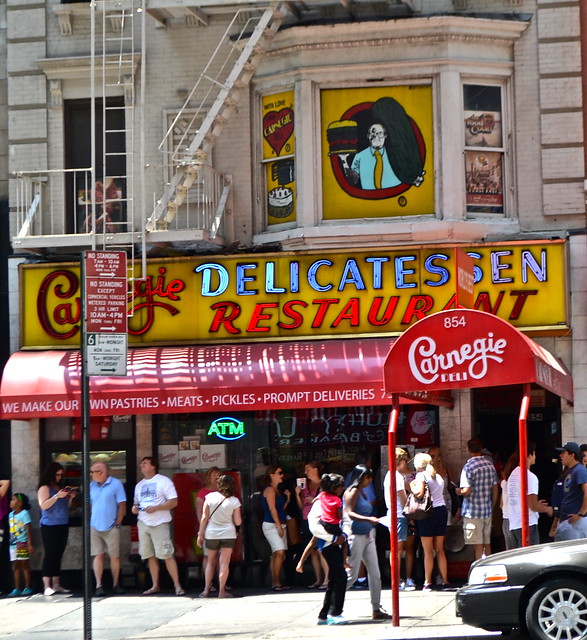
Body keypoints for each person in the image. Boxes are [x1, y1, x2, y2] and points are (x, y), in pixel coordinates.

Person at [343, 464, 392, 620]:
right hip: (355, 535)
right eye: (368, 477)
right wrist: (368, 518)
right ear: (360, 477)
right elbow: (349, 512)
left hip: (367, 534)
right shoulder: (352, 492)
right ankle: (332, 603)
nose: (370, 480)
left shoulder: (363, 492)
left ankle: (376, 608)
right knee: (352, 575)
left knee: (375, 573)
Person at [131, 456, 185, 595]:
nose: (141, 465)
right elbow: (136, 504)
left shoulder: (164, 481)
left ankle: (177, 586)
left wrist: (157, 507)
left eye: (145, 463)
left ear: (153, 466)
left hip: (160, 522)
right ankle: (155, 585)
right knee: (149, 555)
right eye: (141, 463)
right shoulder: (139, 485)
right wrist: (134, 509)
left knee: (167, 554)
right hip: (143, 522)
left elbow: (174, 502)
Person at [196, 474, 242, 598]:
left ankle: (206, 590)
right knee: (224, 563)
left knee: (210, 562)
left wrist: (200, 534)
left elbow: (204, 517)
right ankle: (222, 591)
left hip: (211, 533)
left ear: (219, 484)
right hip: (228, 534)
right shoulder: (234, 501)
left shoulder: (209, 497)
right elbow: (238, 522)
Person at [410, 452, 449, 591]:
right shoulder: (438, 476)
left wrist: (411, 485)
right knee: (439, 549)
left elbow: (419, 493)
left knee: (427, 551)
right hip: (441, 510)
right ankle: (445, 580)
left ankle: (428, 581)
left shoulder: (421, 475)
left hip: (428, 512)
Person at [314, 473, 348, 626]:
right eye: (341, 486)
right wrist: (336, 538)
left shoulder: (321, 498)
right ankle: (335, 612)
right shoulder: (334, 500)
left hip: (330, 542)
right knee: (340, 578)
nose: (343, 488)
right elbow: (340, 518)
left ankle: (324, 615)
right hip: (330, 543)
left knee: (335, 579)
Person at [457, 438, 499, 560]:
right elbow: (495, 488)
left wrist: (458, 491)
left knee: (477, 545)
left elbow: (466, 490)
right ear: (481, 449)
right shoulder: (489, 465)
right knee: (487, 542)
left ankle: (480, 571)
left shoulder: (468, 467)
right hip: (486, 511)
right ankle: (489, 567)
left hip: (472, 512)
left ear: (468, 449)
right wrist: (492, 505)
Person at [37, 462, 75, 595]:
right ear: (51, 474)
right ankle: (47, 585)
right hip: (49, 525)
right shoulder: (45, 487)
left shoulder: (59, 487)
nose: (59, 477)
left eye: (61, 475)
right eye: (57, 474)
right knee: (50, 554)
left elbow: (65, 507)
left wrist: (69, 498)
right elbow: (43, 505)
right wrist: (56, 496)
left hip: (62, 523)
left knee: (59, 554)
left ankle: (56, 583)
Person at [90, 461, 126, 596]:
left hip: (111, 526)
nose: (91, 475)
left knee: (114, 556)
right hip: (94, 526)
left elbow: (122, 505)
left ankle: (116, 584)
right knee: (98, 555)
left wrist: (118, 523)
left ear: (101, 472)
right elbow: (90, 505)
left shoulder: (116, 484)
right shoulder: (91, 486)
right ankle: (99, 585)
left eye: (93, 472)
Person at [506, 442, 553, 547]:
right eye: (534, 453)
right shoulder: (530, 477)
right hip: (528, 524)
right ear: (530, 455)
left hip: (514, 523)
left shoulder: (512, 475)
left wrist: (536, 504)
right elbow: (533, 506)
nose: (535, 457)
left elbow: (521, 499)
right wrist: (548, 509)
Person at [383, 447, 416, 591]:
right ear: (402, 461)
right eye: (406, 461)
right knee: (398, 549)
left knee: (397, 549)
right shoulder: (397, 477)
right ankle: (396, 581)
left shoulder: (389, 475)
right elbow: (403, 499)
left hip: (393, 514)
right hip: (399, 515)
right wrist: (410, 516)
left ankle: (397, 580)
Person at [294, 460, 328, 589]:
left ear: (315, 469)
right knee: (313, 551)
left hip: (320, 519)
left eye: (308, 469)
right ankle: (318, 579)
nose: (305, 472)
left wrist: (313, 500)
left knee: (320, 549)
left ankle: (326, 579)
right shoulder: (305, 485)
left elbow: (326, 502)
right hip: (307, 519)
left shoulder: (324, 484)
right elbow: (301, 506)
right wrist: (297, 495)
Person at [261, 465, 291, 591]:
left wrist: (288, 499)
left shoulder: (276, 490)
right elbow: (272, 509)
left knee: (277, 554)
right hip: (272, 525)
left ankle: (276, 581)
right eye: (279, 473)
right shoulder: (269, 490)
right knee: (280, 552)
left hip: (279, 523)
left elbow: (279, 510)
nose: (282, 475)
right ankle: (275, 582)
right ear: (271, 475)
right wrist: (278, 526)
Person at [346, 123, 402, 190]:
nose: (376, 137)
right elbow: (353, 181)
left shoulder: (395, 153)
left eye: (380, 133)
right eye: (373, 133)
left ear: (385, 135)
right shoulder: (360, 156)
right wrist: (343, 160)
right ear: (368, 136)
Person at [552, 442, 587, 542]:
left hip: (575, 524)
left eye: (564, 453)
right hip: (568, 522)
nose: (560, 455)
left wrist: (580, 514)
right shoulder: (569, 471)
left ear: (572, 455)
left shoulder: (580, 471)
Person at [195, 466, 221, 590]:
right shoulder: (202, 493)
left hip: (222, 528)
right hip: (209, 529)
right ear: (208, 478)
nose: (216, 478)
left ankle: (222, 583)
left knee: (221, 556)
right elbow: (200, 514)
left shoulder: (223, 492)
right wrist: (202, 530)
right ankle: (208, 584)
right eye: (214, 475)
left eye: (218, 476)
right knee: (208, 556)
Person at [8, 493, 34, 596]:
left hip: (22, 543)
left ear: (20, 503)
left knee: (24, 564)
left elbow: (28, 529)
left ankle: (27, 587)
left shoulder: (24, 514)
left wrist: (29, 543)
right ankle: (17, 588)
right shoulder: (11, 514)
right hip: (13, 544)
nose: (11, 502)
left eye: (13, 500)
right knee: (15, 565)